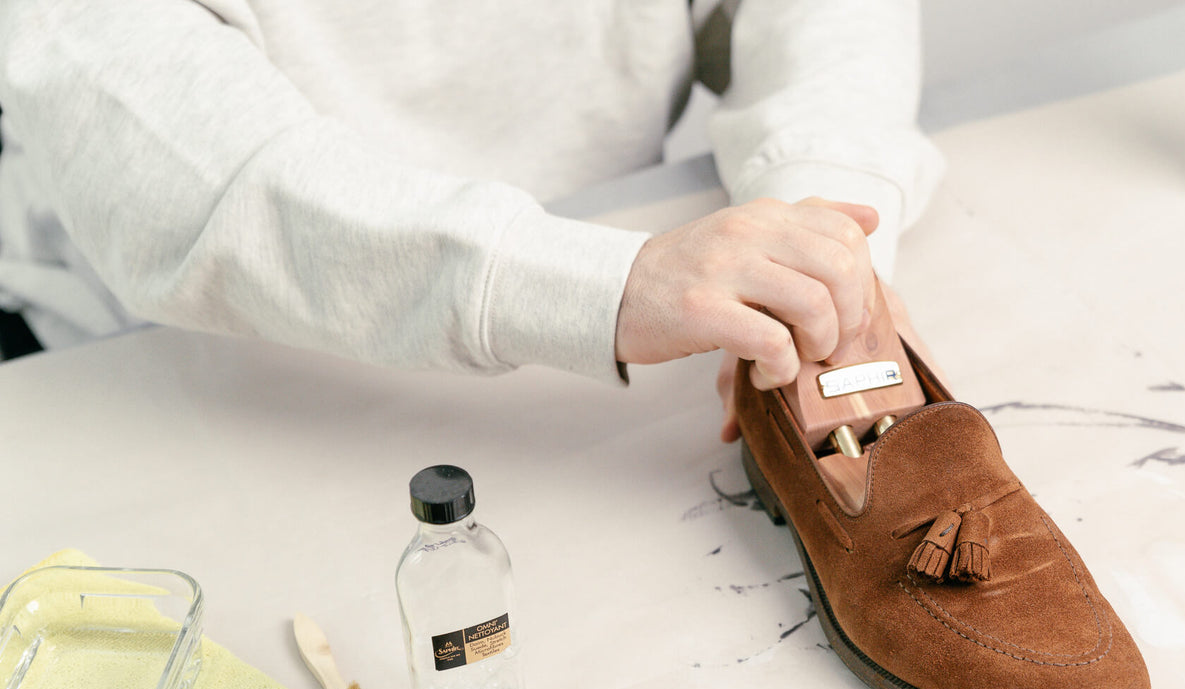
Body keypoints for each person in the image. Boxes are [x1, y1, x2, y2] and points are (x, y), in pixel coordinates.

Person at [0, 0, 942, 435]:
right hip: (189, 373)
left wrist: (817, 217)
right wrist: (602, 286)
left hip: (615, 328)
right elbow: (203, 174)